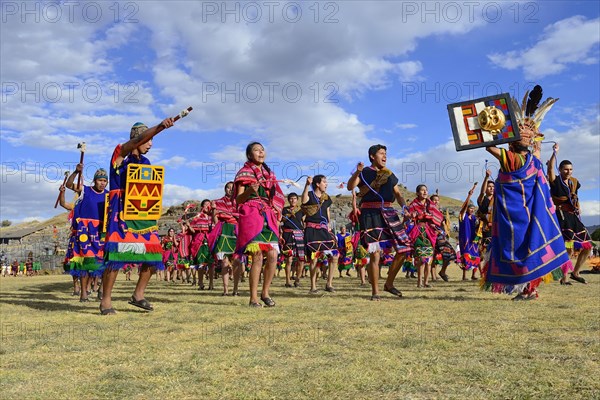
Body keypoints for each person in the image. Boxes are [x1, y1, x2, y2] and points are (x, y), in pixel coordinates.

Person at [483, 86, 572, 300]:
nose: (526, 136)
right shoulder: (521, 159)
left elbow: (489, 147)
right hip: (527, 215)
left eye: (528, 135)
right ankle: (529, 290)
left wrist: (489, 126)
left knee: (523, 251)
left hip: (522, 218)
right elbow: (492, 148)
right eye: (522, 134)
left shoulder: (521, 159)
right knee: (530, 250)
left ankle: (528, 290)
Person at [100, 118, 174, 315]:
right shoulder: (119, 156)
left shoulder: (147, 163)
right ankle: (106, 300)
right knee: (116, 256)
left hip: (143, 214)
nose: (150, 144)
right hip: (122, 212)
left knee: (154, 254)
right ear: (138, 139)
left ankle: (138, 295)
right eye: (148, 140)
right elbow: (136, 142)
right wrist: (159, 128)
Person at [347, 144, 411, 300]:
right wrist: (358, 171)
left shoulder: (389, 174)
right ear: (372, 156)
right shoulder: (364, 172)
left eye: (386, 154)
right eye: (382, 153)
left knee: (404, 249)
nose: (385, 156)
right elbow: (350, 186)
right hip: (370, 213)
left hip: (389, 212)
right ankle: (375, 292)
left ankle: (389, 284)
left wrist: (404, 207)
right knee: (375, 254)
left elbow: (397, 193)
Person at [234, 142, 285, 307]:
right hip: (252, 214)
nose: (261, 152)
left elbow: (275, 196)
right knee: (257, 256)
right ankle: (253, 298)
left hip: (267, 215)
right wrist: (250, 190)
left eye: (262, 149)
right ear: (249, 155)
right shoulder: (244, 173)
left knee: (272, 256)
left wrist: (276, 211)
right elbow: (239, 199)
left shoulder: (269, 174)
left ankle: (265, 293)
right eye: (257, 150)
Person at [547, 144, 593, 284]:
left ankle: (576, 272)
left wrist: (578, 207)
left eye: (570, 169)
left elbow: (575, 197)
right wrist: (554, 153)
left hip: (573, 216)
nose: (568, 172)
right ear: (560, 170)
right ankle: (564, 278)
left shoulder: (574, 182)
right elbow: (550, 170)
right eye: (565, 169)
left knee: (588, 245)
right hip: (561, 216)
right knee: (568, 247)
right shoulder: (555, 181)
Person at [65, 165, 109, 302]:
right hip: (84, 232)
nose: (102, 183)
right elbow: (69, 184)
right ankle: (84, 293)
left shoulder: (108, 195)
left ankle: (101, 290)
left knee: (103, 261)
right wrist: (76, 172)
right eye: (100, 180)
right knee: (85, 261)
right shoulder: (85, 190)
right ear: (95, 181)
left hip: (100, 232)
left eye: (105, 181)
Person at [302, 175, 339, 294]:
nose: (326, 184)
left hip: (324, 229)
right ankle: (313, 286)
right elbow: (303, 200)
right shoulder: (310, 195)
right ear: (317, 184)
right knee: (314, 258)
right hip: (311, 229)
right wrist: (307, 185)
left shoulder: (326, 198)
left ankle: (329, 284)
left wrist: (328, 225)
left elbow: (327, 211)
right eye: (324, 182)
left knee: (334, 255)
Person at [407, 184, 444, 288]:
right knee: (420, 259)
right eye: (422, 190)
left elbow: (438, 216)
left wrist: (432, 219)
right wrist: (413, 215)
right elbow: (408, 215)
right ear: (417, 193)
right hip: (418, 232)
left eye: (426, 190)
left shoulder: (430, 204)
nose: (425, 192)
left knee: (428, 259)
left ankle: (426, 282)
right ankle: (419, 282)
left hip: (429, 233)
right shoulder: (413, 204)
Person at [210, 183, 240, 295]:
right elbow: (215, 221)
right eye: (228, 188)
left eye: (233, 188)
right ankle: (226, 290)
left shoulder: (240, 203)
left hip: (237, 230)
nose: (230, 190)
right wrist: (213, 210)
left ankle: (235, 289)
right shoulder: (218, 202)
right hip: (224, 230)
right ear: (225, 189)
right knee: (224, 261)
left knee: (237, 261)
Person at [281, 192, 306, 288]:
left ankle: (298, 278)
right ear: (288, 200)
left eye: (295, 198)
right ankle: (287, 280)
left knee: (301, 258)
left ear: (297, 199)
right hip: (287, 234)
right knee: (289, 259)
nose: (293, 200)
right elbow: (281, 220)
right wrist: (288, 216)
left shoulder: (301, 210)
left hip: (299, 234)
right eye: (291, 198)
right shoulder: (284, 210)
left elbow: (304, 220)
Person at [458, 185, 481, 281]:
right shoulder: (463, 216)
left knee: (476, 256)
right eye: (470, 208)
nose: (472, 210)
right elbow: (463, 208)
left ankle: (473, 275)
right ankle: (464, 276)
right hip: (465, 239)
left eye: (473, 209)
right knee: (466, 256)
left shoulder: (474, 218)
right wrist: (469, 196)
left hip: (474, 240)